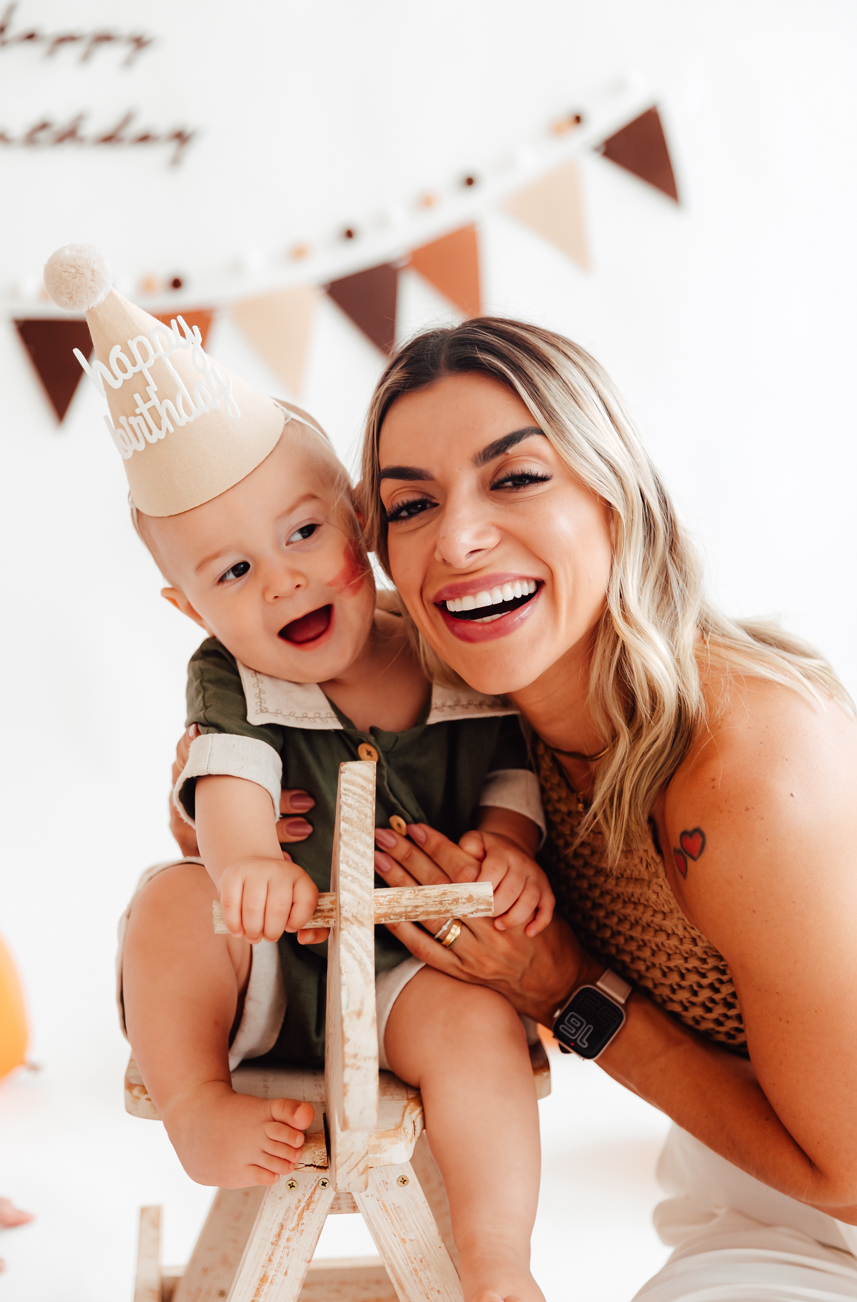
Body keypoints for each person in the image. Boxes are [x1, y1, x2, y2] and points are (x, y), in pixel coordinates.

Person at [338, 317, 857, 1302]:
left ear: (615, 498)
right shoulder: (464, 697)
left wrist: (564, 989)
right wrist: (226, 795)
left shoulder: (750, 777)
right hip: (761, 1203)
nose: (459, 540)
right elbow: (268, 651)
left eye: (516, 478)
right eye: (412, 505)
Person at [44, 248, 554, 1302]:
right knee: (170, 903)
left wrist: (508, 847)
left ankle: (499, 1259)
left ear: (359, 521)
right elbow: (228, 780)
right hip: (264, 974)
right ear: (191, 608)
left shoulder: (445, 644)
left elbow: (509, 764)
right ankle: (197, 1106)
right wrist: (243, 861)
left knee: (481, 1035)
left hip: (415, 970)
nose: (281, 579)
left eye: (305, 534)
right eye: (233, 572)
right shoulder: (230, 676)